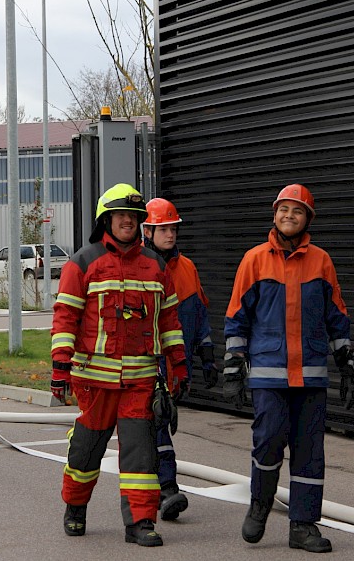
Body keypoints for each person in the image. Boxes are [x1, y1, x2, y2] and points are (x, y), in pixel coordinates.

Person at [223, 183, 354, 553]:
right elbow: (237, 318)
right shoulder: (254, 260)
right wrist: (233, 365)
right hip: (269, 374)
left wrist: (347, 361)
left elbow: (337, 316)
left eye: (297, 211)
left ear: (307, 219)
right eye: (284, 209)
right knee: (268, 441)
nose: (289, 216)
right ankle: (260, 504)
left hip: (311, 375)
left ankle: (303, 525)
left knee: (309, 451)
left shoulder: (321, 261)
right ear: (275, 214)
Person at [50, 183, 187, 547]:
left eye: (134, 216)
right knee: (85, 451)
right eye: (121, 215)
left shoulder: (156, 265)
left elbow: (169, 321)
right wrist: (60, 367)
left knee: (141, 455)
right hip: (94, 382)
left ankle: (140, 522)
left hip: (140, 381)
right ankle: (75, 507)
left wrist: (179, 365)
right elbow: (65, 318)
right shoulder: (83, 262)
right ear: (106, 220)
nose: (128, 221)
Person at [141, 197, 218, 522]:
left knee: (155, 428)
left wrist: (207, 356)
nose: (170, 234)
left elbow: (198, 315)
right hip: (146, 363)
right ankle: (168, 489)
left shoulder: (187, 268)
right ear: (147, 231)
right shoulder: (139, 267)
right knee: (157, 425)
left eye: (173, 228)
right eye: (163, 229)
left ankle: (156, 491)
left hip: (176, 364)